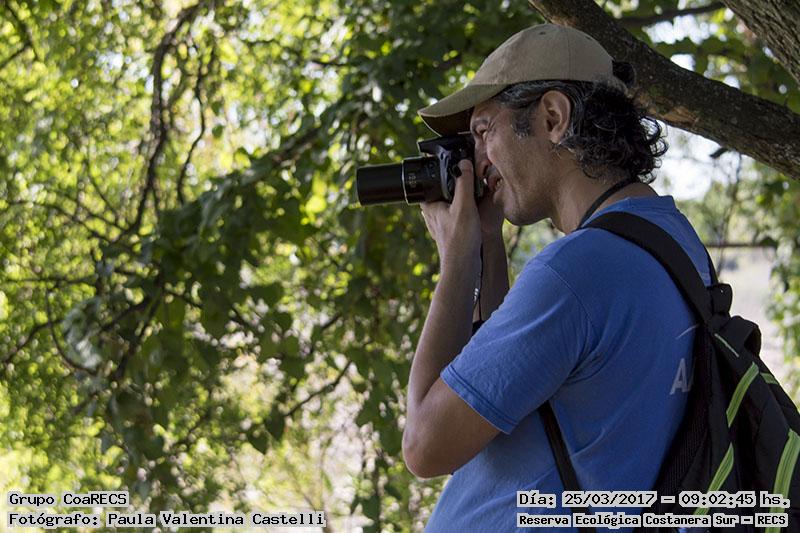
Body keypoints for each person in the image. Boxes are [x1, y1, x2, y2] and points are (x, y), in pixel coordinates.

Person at [401, 23, 713, 531]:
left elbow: (425, 446)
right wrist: (487, 247)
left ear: (552, 117)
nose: (477, 161)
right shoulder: (672, 242)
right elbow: (502, 385)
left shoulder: (576, 272)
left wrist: (456, 262)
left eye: (483, 131)